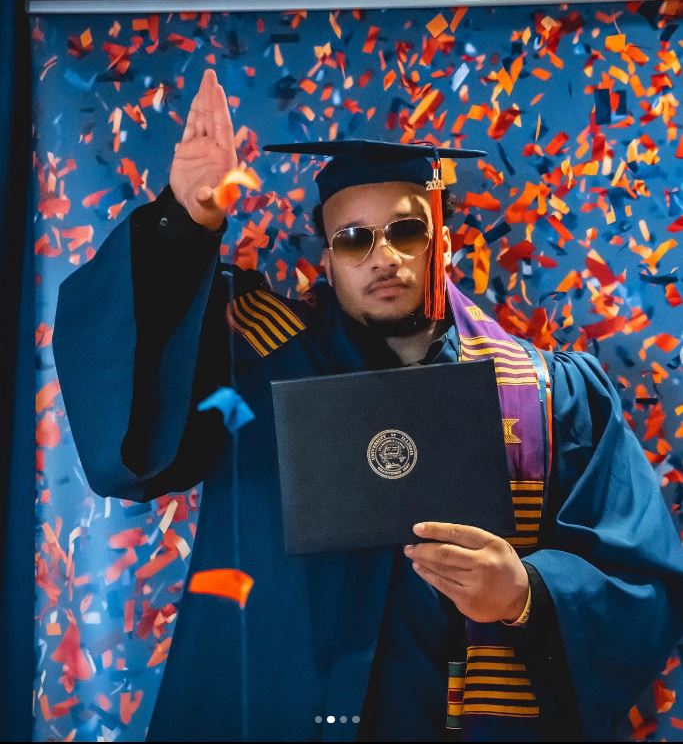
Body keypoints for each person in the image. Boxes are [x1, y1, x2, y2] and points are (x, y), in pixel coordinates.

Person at [52, 68, 683, 743]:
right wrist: (187, 220)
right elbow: (134, 432)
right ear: (326, 259)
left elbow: (642, 587)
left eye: (405, 231)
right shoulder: (250, 363)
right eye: (354, 239)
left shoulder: (549, 393)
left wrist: (526, 594)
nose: (383, 257)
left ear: (440, 242)